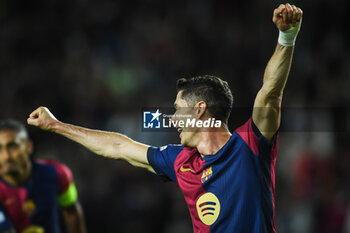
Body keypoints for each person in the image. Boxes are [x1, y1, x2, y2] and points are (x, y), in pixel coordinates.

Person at [27, 3, 302, 233]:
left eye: (177, 109)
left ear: (199, 110)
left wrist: (286, 38)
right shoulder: (180, 160)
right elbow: (118, 147)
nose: (172, 119)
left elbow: (270, 93)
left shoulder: (249, 146)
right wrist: (56, 125)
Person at [0, 119, 87, 233]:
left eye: (12, 146)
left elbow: (72, 211)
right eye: (0, 148)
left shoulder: (57, 173)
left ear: (29, 147)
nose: (6, 156)